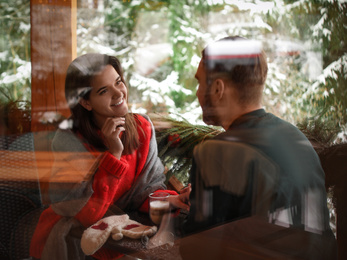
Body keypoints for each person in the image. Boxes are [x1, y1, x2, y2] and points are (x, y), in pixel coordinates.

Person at [182, 36, 336, 257]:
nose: (197, 92)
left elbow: (195, 250)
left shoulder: (216, 152)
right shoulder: (296, 137)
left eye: (200, 82)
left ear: (218, 88)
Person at [29, 53, 190, 260]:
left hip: (125, 231)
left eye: (118, 82)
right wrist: (113, 155)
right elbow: (87, 214)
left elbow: (146, 192)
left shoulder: (142, 127)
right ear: (86, 103)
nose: (118, 93)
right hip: (77, 238)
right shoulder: (68, 141)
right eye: (104, 91)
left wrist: (174, 200)